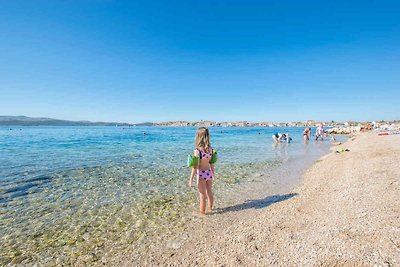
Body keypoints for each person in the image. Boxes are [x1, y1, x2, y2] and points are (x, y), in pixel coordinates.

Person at [189, 127, 216, 215]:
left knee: (202, 195)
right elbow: (212, 163)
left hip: (201, 174)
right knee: (209, 192)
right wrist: (213, 174)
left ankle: (202, 214)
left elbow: (195, 167)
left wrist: (191, 179)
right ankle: (211, 208)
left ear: (198, 137)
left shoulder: (197, 151)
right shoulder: (211, 150)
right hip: (209, 173)